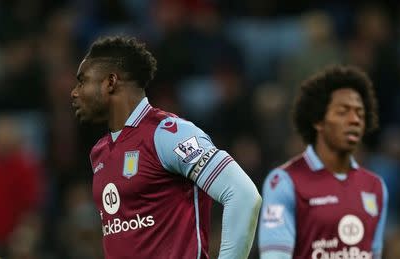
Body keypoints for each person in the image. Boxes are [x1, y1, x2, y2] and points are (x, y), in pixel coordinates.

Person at [70, 36, 262, 259]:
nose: (74, 92)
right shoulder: (99, 152)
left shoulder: (167, 134)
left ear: (111, 82)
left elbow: (243, 195)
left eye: (82, 81)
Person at [258, 65, 388, 259]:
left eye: (360, 113)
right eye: (343, 112)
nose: (355, 120)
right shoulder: (284, 181)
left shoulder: (375, 187)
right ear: (318, 121)